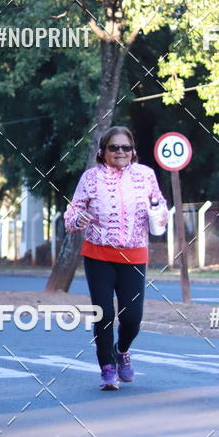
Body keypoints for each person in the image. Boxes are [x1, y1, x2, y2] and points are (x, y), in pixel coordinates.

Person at [65, 126, 168, 390]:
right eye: (114, 147)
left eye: (125, 147)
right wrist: (78, 219)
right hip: (98, 254)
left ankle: (122, 350)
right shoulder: (90, 178)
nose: (120, 152)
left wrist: (159, 213)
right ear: (103, 152)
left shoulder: (146, 176)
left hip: (134, 255)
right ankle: (107, 368)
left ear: (133, 151)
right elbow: (71, 214)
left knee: (132, 316)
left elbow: (160, 206)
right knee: (104, 314)